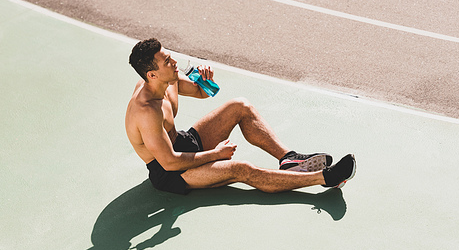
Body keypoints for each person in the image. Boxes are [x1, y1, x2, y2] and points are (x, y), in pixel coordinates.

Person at [125, 38, 356, 195]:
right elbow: (170, 162)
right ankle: (324, 178)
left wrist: (206, 83)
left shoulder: (167, 81)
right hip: (172, 173)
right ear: (152, 74)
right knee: (242, 169)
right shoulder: (146, 111)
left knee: (240, 106)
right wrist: (215, 154)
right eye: (167, 61)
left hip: (182, 144)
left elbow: (200, 92)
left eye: (169, 56)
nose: (174, 61)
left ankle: (289, 159)